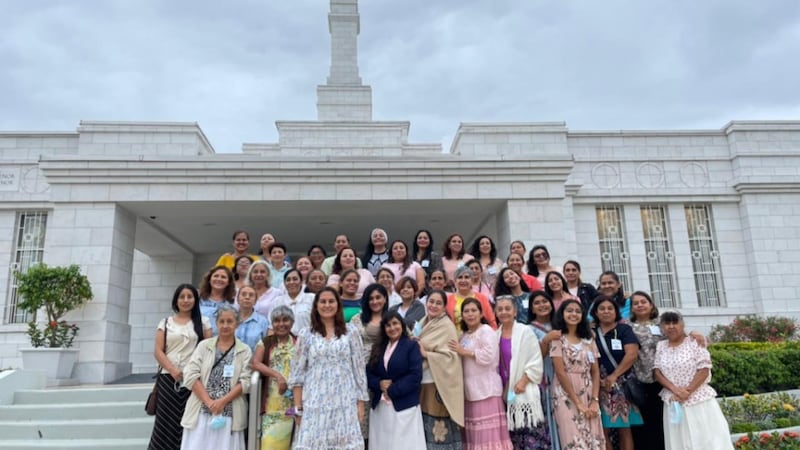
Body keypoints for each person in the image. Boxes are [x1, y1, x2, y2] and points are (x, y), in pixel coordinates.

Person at [289, 287, 369, 450]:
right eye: (323, 302)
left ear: (338, 305)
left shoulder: (351, 332)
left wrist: (360, 403)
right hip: (314, 401)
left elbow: (359, 370)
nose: (327, 305)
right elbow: (297, 373)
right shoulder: (306, 334)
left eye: (331, 301)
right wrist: (298, 408)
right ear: (316, 306)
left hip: (345, 401)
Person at [654, 311, 734, 450]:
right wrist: (675, 390)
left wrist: (688, 391)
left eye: (675, 322)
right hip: (674, 400)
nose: (671, 326)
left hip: (697, 399)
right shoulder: (661, 346)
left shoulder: (695, 341)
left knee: (706, 439)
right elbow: (657, 371)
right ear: (661, 327)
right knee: (678, 441)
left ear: (683, 324)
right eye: (667, 323)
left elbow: (704, 369)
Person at [148, 284, 212, 450]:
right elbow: (158, 351)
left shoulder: (204, 323)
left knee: (190, 422)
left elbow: (209, 352)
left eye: (189, 297)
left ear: (195, 300)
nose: (185, 300)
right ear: (176, 300)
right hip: (168, 379)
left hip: (194, 382)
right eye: (182, 297)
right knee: (165, 423)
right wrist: (173, 370)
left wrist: (192, 372)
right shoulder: (166, 322)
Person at [180, 304, 252, 450]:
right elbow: (191, 375)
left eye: (230, 321)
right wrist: (209, 402)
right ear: (216, 323)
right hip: (201, 409)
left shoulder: (244, 350)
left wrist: (221, 402)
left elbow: (246, 382)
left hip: (229, 411)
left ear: (237, 323)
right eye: (222, 321)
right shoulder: (204, 346)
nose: (225, 325)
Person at [449, 298, 512, 449]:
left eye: (473, 310)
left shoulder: (486, 331)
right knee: (475, 437)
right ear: (461, 315)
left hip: (487, 390)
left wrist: (465, 352)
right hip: (470, 392)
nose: (470, 314)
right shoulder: (463, 336)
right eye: (466, 311)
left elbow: (488, 356)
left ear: (481, 313)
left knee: (488, 438)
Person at [550, 299, 605, 450]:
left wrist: (594, 400)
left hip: (588, 390)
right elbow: (560, 373)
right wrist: (578, 402)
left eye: (577, 311)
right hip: (565, 393)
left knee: (594, 435)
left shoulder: (589, 340)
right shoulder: (557, 339)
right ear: (562, 314)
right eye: (569, 311)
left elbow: (595, 371)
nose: (573, 314)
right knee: (572, 437)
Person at [589, 295, 642, 450]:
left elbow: (632, 354)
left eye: (610, 308)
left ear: (616, 311)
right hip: (598, 386)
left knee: (624, 429)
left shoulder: (624, 329)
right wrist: (600, 380)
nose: (606, 312)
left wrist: (614, 376)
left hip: (621, 385)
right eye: (602, 309)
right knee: (602, 429)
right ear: (596, 312)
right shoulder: (590, 331)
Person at [367, 311, 426, 450]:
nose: (392, 328)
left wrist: (393, 390)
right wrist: (379, 384)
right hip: (381, 407)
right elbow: (368, 374)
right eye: (388, 325)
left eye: (395, 323)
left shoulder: (411, 346)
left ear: (402, 325)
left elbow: (415, 376)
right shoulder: (378, 348)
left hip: (404, 405)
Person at [494, 296, 547, 450]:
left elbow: (535, 359)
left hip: (524, 388)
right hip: (506, 391)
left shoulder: (525, 331)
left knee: (532, 435)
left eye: (507, 309)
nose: (504, 312)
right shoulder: (495, 335)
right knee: (514, 437)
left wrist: (523, 381)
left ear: (515, 312)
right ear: (496, 313)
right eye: (500, 309)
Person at [417, 290, 465, 450]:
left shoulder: (446, 326)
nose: (434, 305)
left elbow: (450, 357)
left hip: (438, 384)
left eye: (439, 303)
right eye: (431, 301)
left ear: (444, 307)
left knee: (439, 430)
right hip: (423, 382)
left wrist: (426, 354)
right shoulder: (423, 322)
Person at [252, 305, 297, 450]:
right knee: (270, 445)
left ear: (292, 322)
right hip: (272, 406)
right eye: (277, 321)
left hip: (295, 404)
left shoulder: (299, 342)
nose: (281, 324)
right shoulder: (266, 342)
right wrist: (277, 375)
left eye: (285, 320)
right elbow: (255, 363)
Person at [349, 283, 389, 440]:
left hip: (384, 371)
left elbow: (407, 336)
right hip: (361, 370)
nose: (375, 301)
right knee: (362, 414)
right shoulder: (357, 319)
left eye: (378, 297)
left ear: (385, 298)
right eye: (371, 298)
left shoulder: (391, 318)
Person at [527, 291, 561, 450]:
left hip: (565, 380)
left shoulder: (562, 324)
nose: (542, 305)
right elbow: (534, 358)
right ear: (532, 309)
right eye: (537, 303)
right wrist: (546, 340)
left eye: (545, 301)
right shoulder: (527, 330)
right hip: (544, 380)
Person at [447, 266, 497, 331]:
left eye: (467, 277)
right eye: (460, 277)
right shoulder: (448, 300)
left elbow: (491, 321)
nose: (463, 280)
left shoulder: (482, 298)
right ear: (455, 281)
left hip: (479, 338)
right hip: (455, 338)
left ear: (472, 281)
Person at [272, 269, 314, 335]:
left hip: (307, 341)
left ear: (301, 282)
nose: (291, 282)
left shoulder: (312, 298)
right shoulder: (277, 302)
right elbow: (271, 327)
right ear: (284, 283)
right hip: (284, 342)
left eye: (295, 279)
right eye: (288, 280)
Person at [198, 265, 236, 336]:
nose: (219, 279)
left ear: (228, 282)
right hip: (199, 341)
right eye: (216, 276)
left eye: (223, 277)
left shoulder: (233, 303)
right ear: (209, 279)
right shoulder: (198, 299)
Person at [234, 285, 269, 351]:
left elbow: (265, 346)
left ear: (255, 301)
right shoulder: (231, 319)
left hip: (253, 360)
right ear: (237, 299)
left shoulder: (263, 322)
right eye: (244, 294)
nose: (247, 297)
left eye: (251, 295)